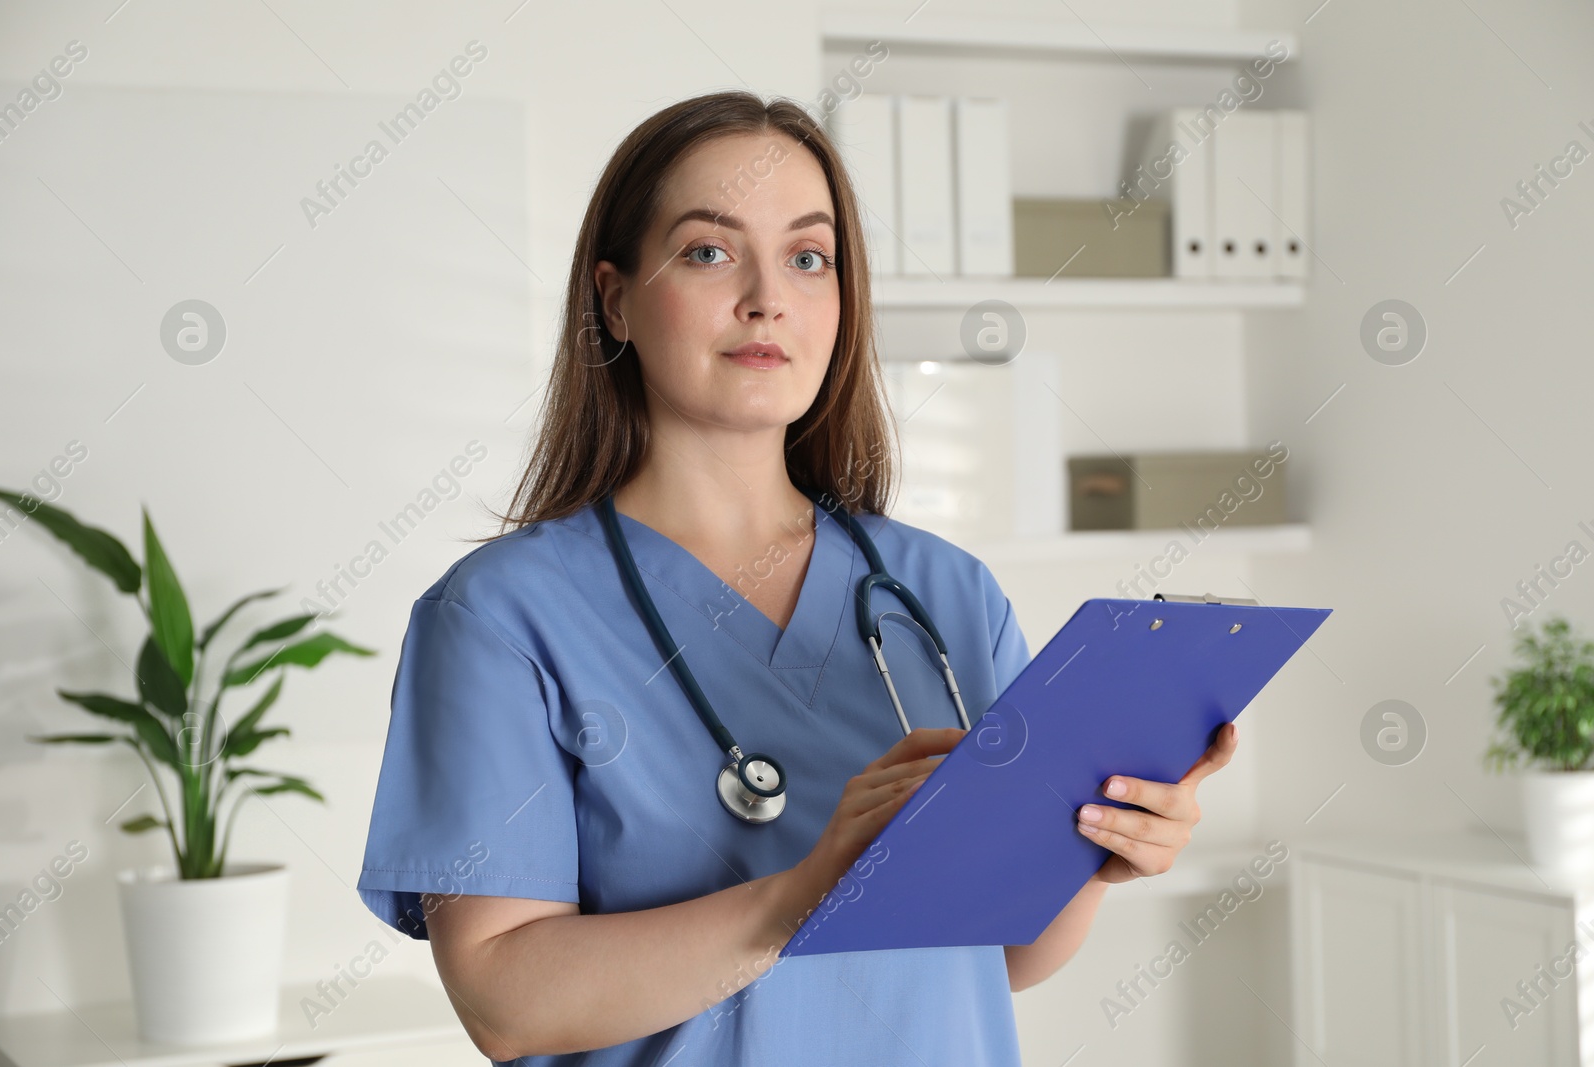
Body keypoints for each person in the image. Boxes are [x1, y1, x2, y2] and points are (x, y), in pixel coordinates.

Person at [356, 88, 1236, 1065]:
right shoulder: (500, 617)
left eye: (808, 257)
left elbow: (1004, 953)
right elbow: (507, 999)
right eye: (708, 250)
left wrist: (1098, 857)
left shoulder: (947, 594)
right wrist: (798, 892)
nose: (767, 296)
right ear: (613, 298)